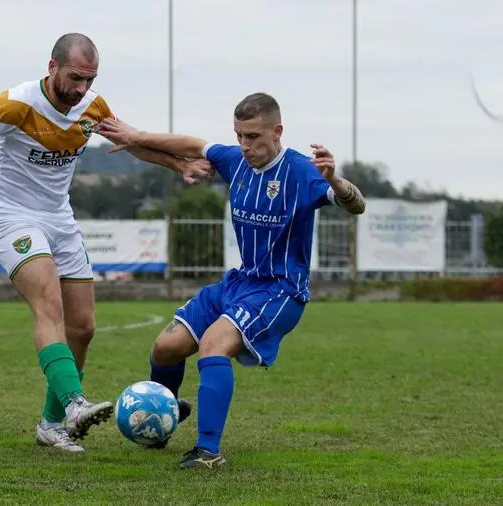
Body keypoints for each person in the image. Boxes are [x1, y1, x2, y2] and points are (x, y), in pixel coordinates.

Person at [0, 33, 213, 453]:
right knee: (49, 304)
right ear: (52, 66)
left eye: (89, 80)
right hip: (14, 218)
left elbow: (129, 142)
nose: (81, 89)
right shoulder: (18, 103)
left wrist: (178, 164)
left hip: (61, 219)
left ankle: (50, 425)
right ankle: (75, 404)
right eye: (75, 77)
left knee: (83, 327)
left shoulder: (92, 107)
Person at [95, 92, 367, 468]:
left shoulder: (302, 171)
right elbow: (193, 145)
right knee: (165, 348)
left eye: (254, 137)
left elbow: (357, 204)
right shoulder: (234, 160)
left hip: (280, 290)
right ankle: (162, 422)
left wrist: (335, 180)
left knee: (213, 345)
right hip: (239, 282)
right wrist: (136, 136)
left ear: (278, 131)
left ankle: (208, 452)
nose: (245, 145)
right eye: (239, 135)